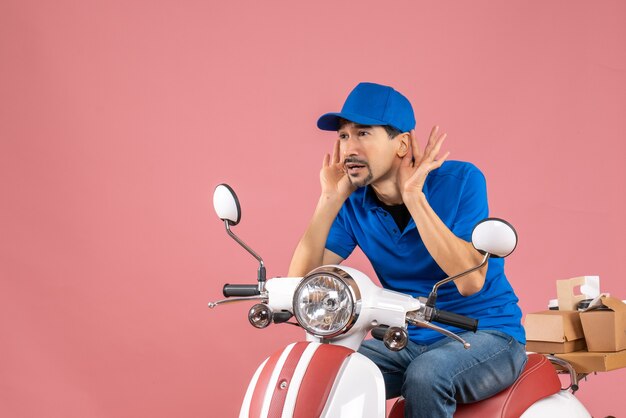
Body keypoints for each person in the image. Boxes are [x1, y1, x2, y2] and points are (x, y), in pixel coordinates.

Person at [287, 82, 527, 417]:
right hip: (410, 339)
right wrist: (328, 200)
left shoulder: (461, 181)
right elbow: (298, 285)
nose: (348, 149)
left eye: (363, 134)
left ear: (401, 144)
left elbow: (469, 282)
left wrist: (415, 197)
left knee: (428, 374)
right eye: (343, 136)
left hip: (488, 335)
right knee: (327, 371)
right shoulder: (354, 201)